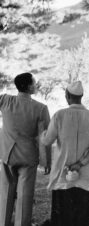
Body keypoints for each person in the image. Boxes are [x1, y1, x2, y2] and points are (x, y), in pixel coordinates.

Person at [40, 81, 89, 226]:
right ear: (82, 96)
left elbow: (47, 141)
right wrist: (81, 163)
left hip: (63, 171)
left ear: (67, 96)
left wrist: (41, 133)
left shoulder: (59, 115)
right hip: (85, 172)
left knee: (62, 214)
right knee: (82, 213)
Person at [0, 72, 51, 226]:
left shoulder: (5, 100)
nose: (36, 85)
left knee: (5, 193)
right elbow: (45, 138)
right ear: (29, 86)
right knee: (25, 195)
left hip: (7, 153)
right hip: (28, 157)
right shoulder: (41, 108)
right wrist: (46, 161)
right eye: (34, 82)